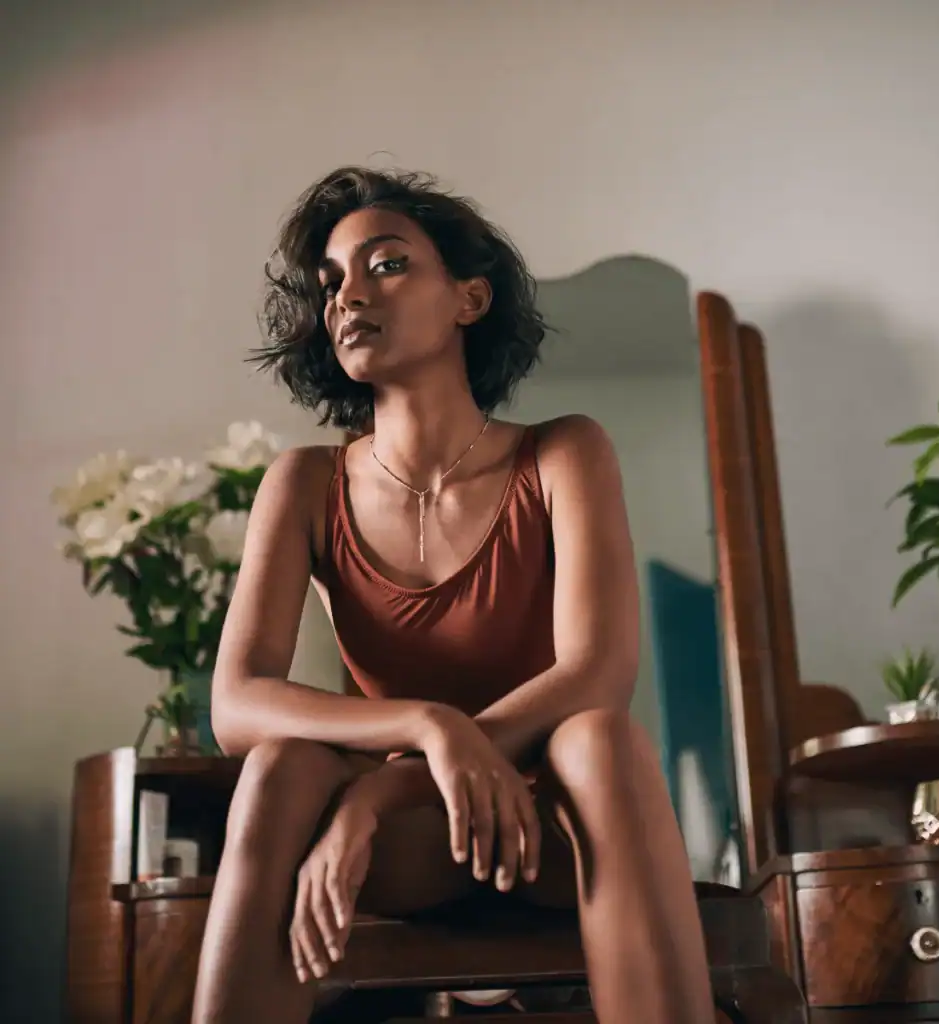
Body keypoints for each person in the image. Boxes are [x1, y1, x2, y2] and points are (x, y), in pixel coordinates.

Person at [190, 167, 715, 1024]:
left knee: (599, 739)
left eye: (386, 265)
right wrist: (427, 728)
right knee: (279, 767)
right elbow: (237, 706)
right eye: (330, 283)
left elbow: (598, 674)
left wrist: (383, 788)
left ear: (470, 298)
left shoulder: (564, 453)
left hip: (550, 826)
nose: (348, 295)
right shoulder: (302, 483)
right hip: (411, 850)